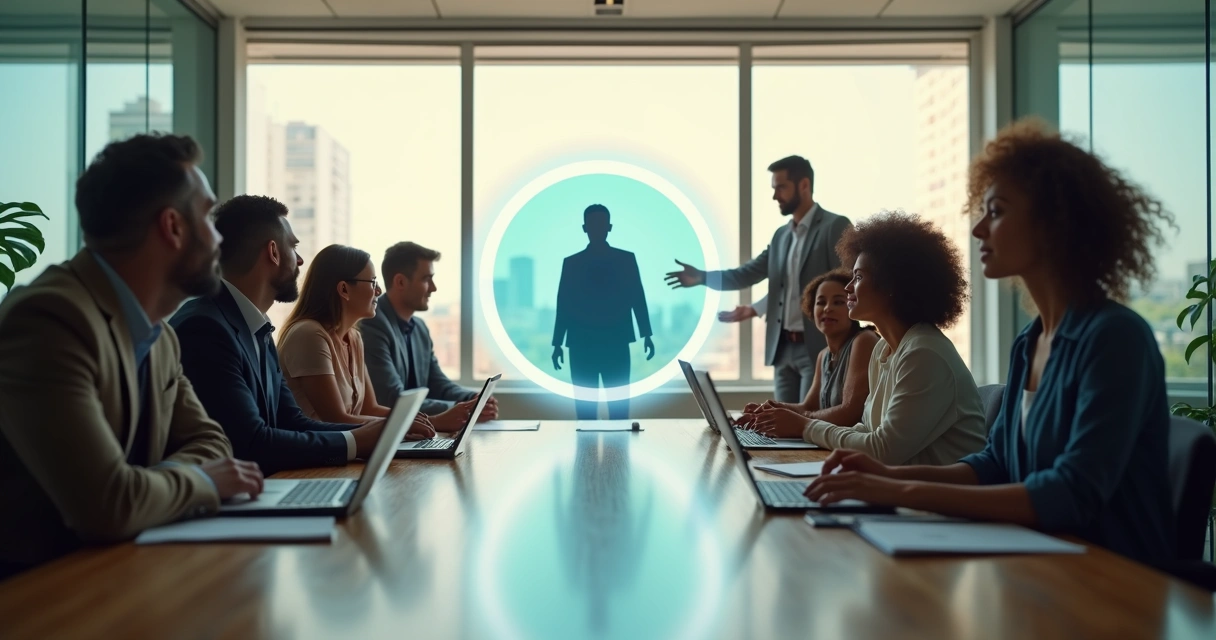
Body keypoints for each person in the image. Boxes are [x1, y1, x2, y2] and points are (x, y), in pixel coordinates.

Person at [804, 119, 1178, 569]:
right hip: (1035, 567)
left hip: (1110, 581)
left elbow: (1071, 493)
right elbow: (995, 464)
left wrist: (897, 489)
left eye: (996, 211)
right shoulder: (1030, 341)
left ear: (1054, 223)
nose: (979, 229)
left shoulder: (1116, 339)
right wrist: (887, 473)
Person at [0, 134, 262, 578]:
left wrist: (147, 484)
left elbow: (213, 443)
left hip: (123, 573)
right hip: (38, 596)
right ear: (173, 226)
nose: (219, 237)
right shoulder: (49, 320)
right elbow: (108, 505)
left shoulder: (159, 334)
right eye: (208, 215)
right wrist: (201, 480)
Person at [171, 196, 428, 476]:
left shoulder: (256, 328)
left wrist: (379, 431)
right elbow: (250, 442)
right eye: (293, 246)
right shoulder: (206, 329)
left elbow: (291, 421)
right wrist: (355, 441)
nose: (301, 259)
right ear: (273, 252)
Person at [752, 211, 986, 466]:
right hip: (897, 490)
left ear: (892, 286)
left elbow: (883, 448)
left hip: (937, 501)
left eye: (859, 277)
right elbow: (866, 431)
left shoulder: (924, 354)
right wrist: (795, 421)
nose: (848, 287)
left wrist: (806, 427)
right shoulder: (884, 350)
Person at [666, 155, 851, 403]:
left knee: (810, 423)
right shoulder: (781, 236)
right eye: (774, 189)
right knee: (781, 428)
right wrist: (702, 277)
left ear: (804, 185)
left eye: (781, 187)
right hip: (782, 348)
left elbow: (845, 283)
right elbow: (748, 274)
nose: (775, 196)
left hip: (818, 347)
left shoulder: (835, 226)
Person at [277, 244, 446, 433]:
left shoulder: (354, 337)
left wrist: (428, 421)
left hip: (346, 452)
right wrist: (405, 425)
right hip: (313, 457)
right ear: (344, 289)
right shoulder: (309, 335)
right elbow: (337, 419)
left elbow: (369, 408)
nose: (379, 291)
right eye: (373, 282)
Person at [362, 241, 493, 429]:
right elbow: (392, 398)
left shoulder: (420, 328)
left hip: (417, 433)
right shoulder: (372, 326)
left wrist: (473, 399)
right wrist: (462, 409)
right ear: (400, 282)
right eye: (426, 279)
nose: (433, 288)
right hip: (390, 437)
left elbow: (437, 383)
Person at [737, 268, 879, 428]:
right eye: (821, 302)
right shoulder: (823, 355)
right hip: (829, 445)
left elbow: (850, 413)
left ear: (852, 306)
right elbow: (809, 407)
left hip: (855, 449)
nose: (827, 308)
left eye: (838, 302)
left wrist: (801, 419)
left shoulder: (864, 340)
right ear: (811, 309)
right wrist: (769, 410)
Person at [551, 204, 656, 420]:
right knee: (586, 412)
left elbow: (637, 296)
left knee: (618, 411)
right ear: (585, 228)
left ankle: (616, 454)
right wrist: (557, 343)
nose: (597, 229)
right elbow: (563, 304)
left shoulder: (620, 260)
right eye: (593, 224)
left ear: (609, 227)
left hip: (606, 344)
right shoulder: (574, 263)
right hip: (588, 345)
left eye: (600, 224)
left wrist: (647, 333)